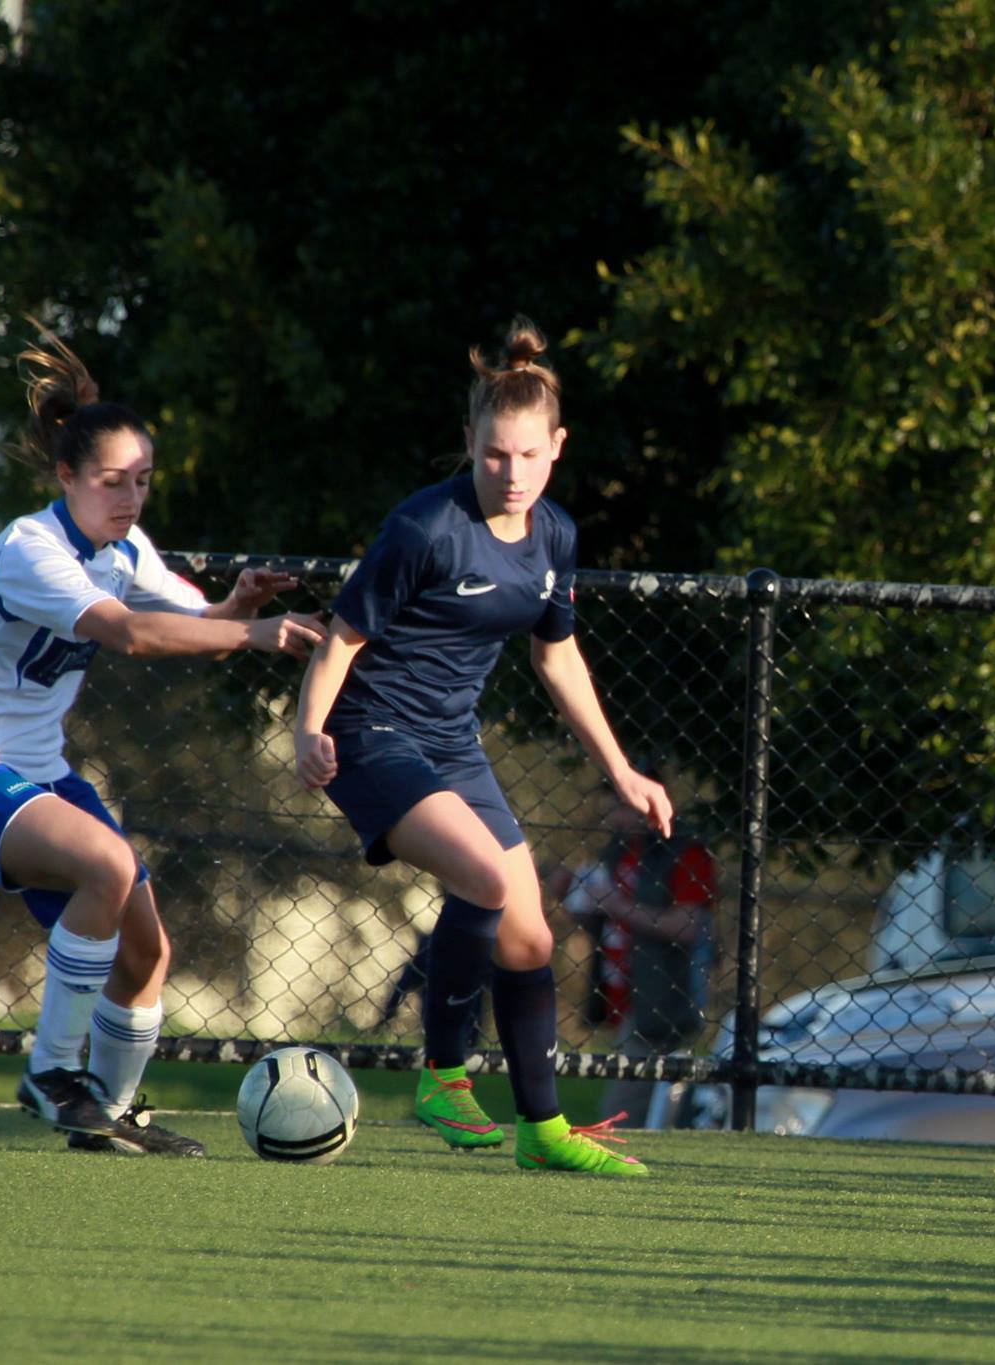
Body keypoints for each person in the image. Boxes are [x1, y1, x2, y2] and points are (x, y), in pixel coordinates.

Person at [0, 323, 321, 1156]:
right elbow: (130, 633)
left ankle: (108, 1113)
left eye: (142, 480)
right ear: (66, 475)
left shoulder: (124, 547)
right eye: (110, 481)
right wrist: (254, 633)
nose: (130, 497)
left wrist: (236, 607)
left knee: (147, 948)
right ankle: (51, 1075)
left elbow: (193, 623)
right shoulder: (31, 549)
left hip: (38, 774)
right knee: (109, 863)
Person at [295, 316, 670, 1176]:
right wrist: (308, 730)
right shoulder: (424, 528)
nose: (512, 472)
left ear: (557, 448)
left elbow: (556, 657)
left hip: (451, 745)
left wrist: (621, 770)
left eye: (530, 455)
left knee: (530, 939)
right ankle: (443, 1075)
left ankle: (544, 1130)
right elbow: (341, 640)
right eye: (495, 454)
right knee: (486, 879)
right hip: (370, 733)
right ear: (468, 442)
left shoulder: (555, 535)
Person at [559, 762, 718, 1126]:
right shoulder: (619, 850)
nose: (612, 815)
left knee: (622, 1110)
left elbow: (687, 925)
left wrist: (616, 905)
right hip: (623, 996)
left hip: (662, 997)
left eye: (620, 804)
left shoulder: (683, 852)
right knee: (646, 1101)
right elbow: (607, 917)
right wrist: (582, 902)